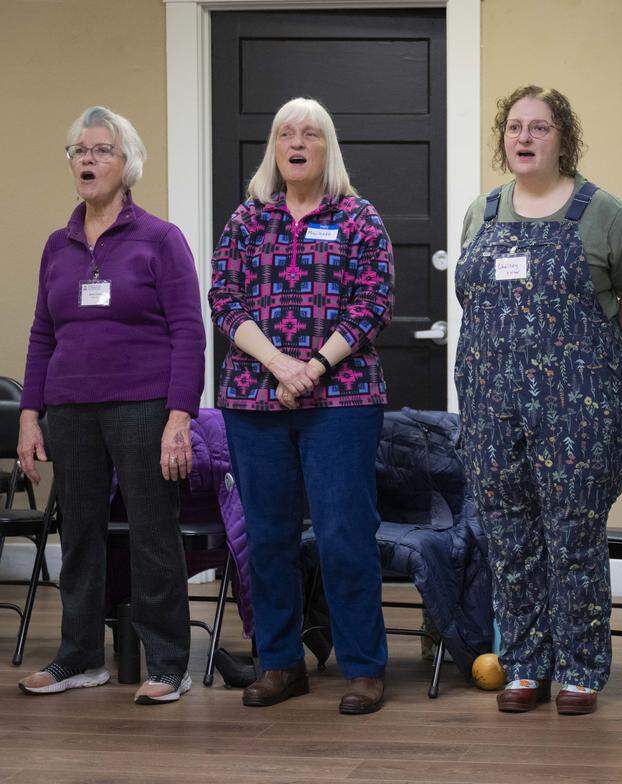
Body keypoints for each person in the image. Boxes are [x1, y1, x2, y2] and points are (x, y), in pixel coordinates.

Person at [455, 85, 622, 716]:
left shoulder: (603, 213)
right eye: (515, 127)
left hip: (578, 407)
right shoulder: (482, 213)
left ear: (562, 138)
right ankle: (524, 666)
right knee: (509, 535)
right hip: (491, 405)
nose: (525, 137)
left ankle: (579, 670)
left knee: (573, 534)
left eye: (539, 127)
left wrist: (592, 361)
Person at [208, 97, 395, 715]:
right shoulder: (247, 219)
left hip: (342, 400)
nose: (296, 142)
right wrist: (278, 364)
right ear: (274, 147)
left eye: (309, 134)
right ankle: (280, 662)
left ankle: (363, 667)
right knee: (266, 538)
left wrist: (312, 367)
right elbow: (224, 297)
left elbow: (374, 302)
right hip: (253, 399)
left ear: (327, 147)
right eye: (285, 133)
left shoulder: (359, 217)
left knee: (344, 536)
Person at [16, 106, 206, 704]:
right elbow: (42, 334)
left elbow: (189, 332)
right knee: (78, 535)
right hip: (69, 410)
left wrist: (180, 416)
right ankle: (78, 657)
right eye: (80, 150)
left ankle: (168, 663)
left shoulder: (160, 239)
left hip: (143, 406)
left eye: (102, 150)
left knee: (152, 535)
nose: (88, 160)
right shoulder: (58, 245)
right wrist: (29, 415)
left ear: (129, 164)